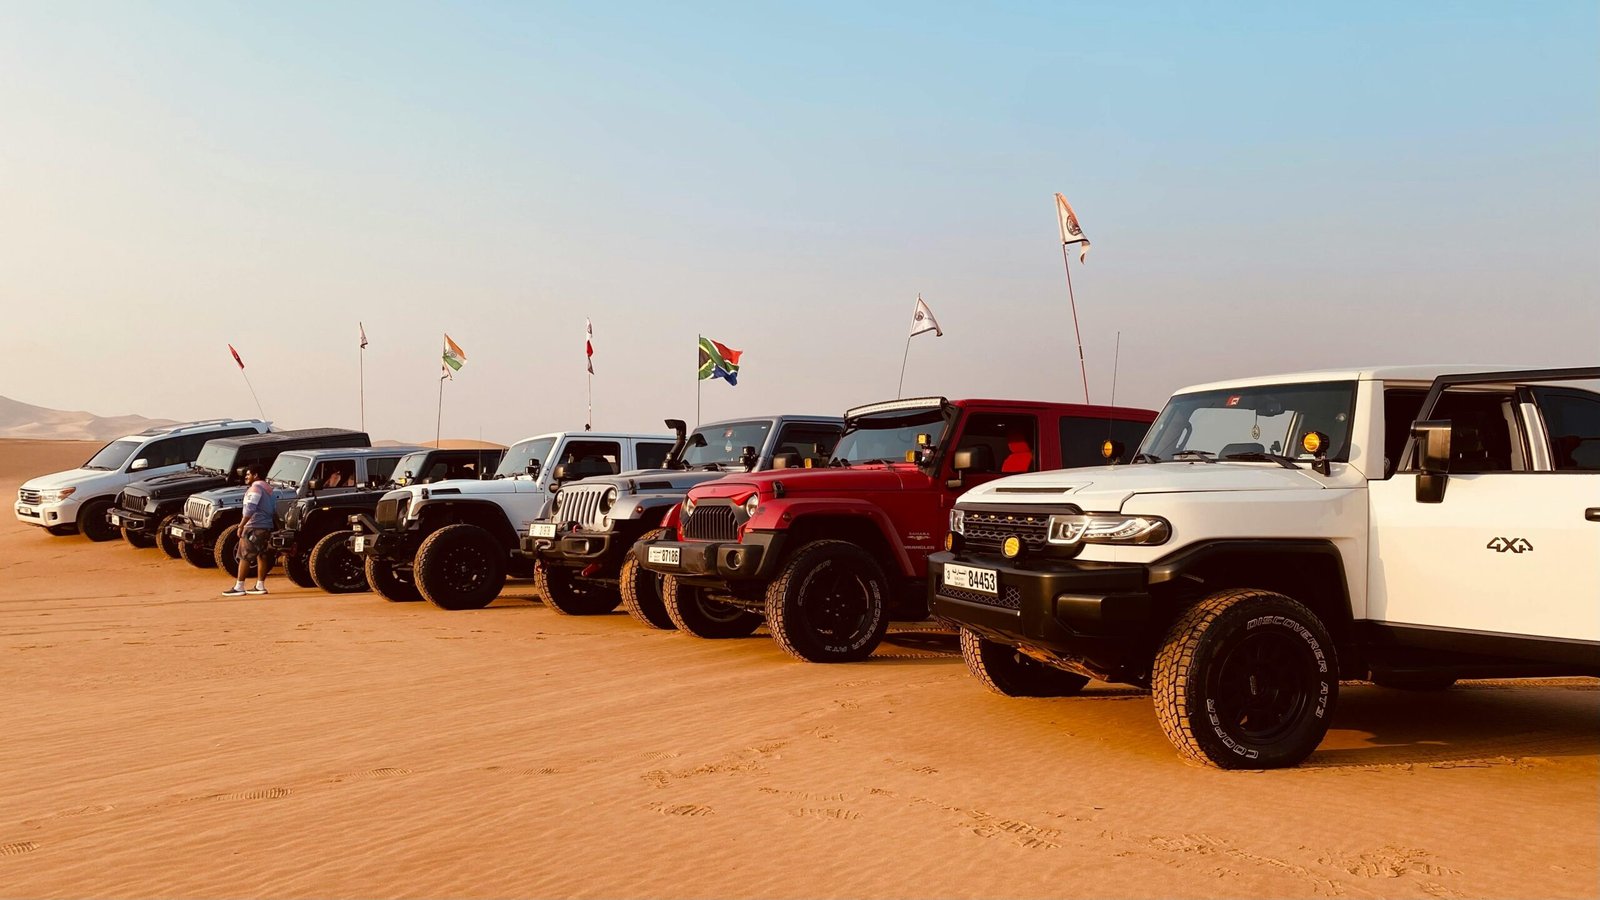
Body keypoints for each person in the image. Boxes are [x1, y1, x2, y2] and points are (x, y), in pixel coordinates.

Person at [223, 464, 277, 597]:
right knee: (262, 555)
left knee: (244, 556)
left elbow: (250, 508)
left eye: (248, 474)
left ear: (256, 475)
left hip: (254, 526)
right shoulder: (268, 489)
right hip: (266, 525)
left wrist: (241, 525)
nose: (246, 477)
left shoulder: (255, 488)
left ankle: (239, 586)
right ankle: (260, 586)